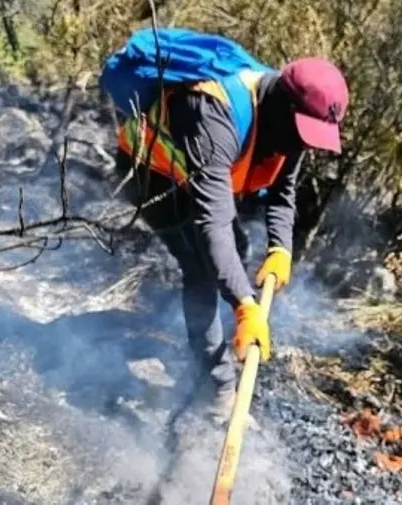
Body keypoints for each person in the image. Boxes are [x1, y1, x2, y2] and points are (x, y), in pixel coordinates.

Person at [111, 56, 349, 429]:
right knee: (202, 267)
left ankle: (208, 345)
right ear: (283, 105)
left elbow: (283, 196)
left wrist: (280, 249)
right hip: (152, 172)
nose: (301, 146)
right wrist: (244, 305)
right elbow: (214, 224)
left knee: (235, 253)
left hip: (191, 176)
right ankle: (218, 391)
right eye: (301, 134)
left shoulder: (289, 125)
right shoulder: (211, 111)